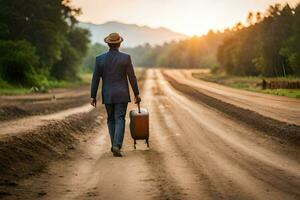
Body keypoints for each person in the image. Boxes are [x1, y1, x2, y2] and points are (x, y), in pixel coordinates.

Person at [90, 33, 141, 157]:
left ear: (108, 44)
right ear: (119, 44)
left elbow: (95, 79)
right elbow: (132, 77)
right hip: (122, 94)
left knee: (111, 119)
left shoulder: (99, 59)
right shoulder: (126, 58)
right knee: (120, 118)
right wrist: (136, 94)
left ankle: (114, 145)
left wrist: (93, 96)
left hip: (108, 94)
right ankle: (116, 145)